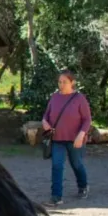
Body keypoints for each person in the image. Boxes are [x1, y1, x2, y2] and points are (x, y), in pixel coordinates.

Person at [42, 69, 92, 206]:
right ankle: (56, 197)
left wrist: (81, 135)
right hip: (57, 139)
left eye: (64, 82)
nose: (61, 84)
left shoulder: (79, 98)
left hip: (75, 139)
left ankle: (83, 186)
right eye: (59, 82)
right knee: (56, 165)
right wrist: (45, 122)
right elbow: (46, 115)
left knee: (77, 164)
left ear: (72, 82)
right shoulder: (54, 97)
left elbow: (87, 119)